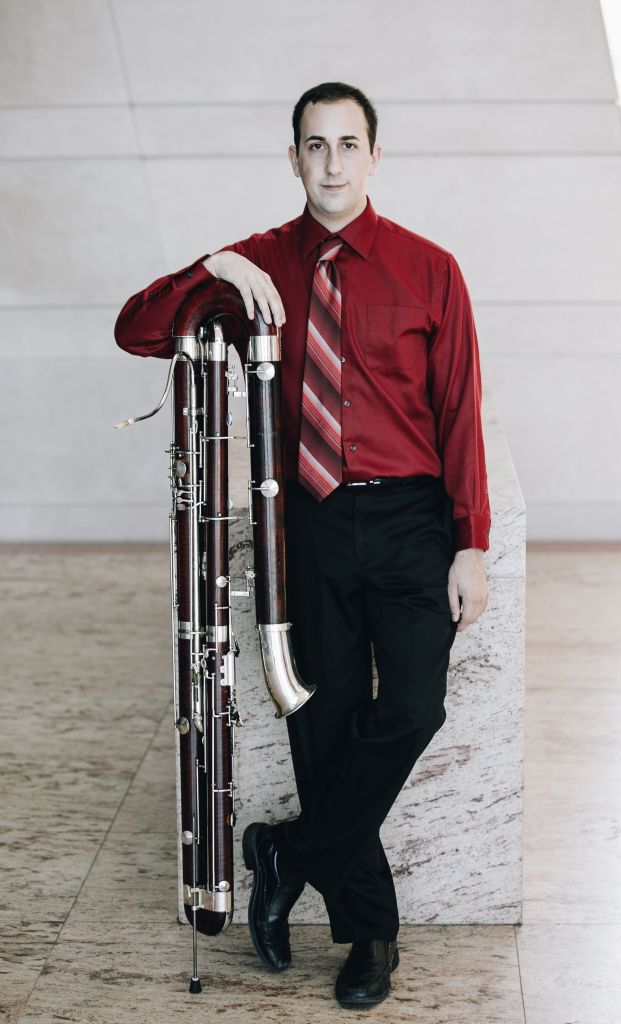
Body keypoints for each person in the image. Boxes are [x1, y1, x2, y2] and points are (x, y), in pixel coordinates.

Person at [114, 80, 490, 1011]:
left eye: (347, 144)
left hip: (408, 520)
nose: (331, 162)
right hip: (308, 525)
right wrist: (207, 270)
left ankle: (287, 850)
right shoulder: (256, 267)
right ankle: (369, 936)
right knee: (321, 725)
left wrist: (469, 543)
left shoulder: (430, 268)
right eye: (314, 145)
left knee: (412, 707)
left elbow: (459, 412)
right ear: (293, 159)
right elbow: (137, 330)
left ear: (374, 156)